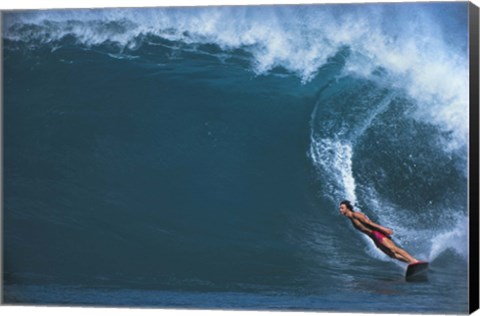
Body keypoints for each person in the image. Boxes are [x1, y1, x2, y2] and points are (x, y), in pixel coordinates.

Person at [339, 200, 420, 264]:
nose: (340, 210)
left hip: (377, 234)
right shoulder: (351, 219)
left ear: (348, 208)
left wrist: (384, 229)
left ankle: (414, 261)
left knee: (393, 249)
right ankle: (410, 263)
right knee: (391, 255)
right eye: (340, 208)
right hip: (374, 238)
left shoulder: (356, 215)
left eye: (342, 208)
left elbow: (369, 223)